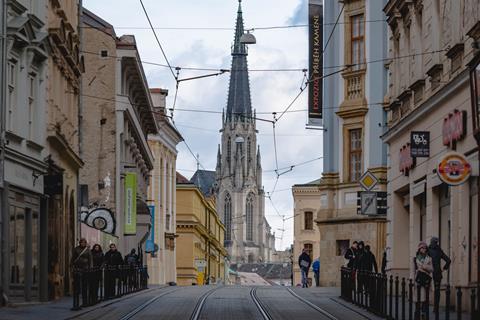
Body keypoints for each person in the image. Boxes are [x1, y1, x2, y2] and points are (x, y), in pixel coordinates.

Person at [428, 236, 451, 313]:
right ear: (437, 242)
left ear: (431, 242)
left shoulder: (428, 250)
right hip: (437, 273)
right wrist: (443, 269)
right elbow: (448, 260)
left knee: (425, 289)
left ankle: (424, 307)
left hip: (428, 272)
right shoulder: (439, 250)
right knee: (437, 291)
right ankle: (436, 308)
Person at [413, 241, 433, 319]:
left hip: (425, 282)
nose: (424, 249)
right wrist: (412, 281)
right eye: (422, 248)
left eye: (425, 248)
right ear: (419, 249)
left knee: (425, 301)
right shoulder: (415, 259)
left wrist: (424, 267)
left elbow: (432, 269)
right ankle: (417, 317)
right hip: (418, 281)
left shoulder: (429, 258)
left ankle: (424, 316)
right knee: (417, 301)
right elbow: (412, 271)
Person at [71, 238, 93, 308]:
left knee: (85, 286)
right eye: (81, 242)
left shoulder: (87, 250)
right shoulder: (76, 249)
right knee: (77, 286)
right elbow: (73, 258)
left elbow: (90, 259)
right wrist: (71, 266)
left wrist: (90, 267)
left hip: (85, 269)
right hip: (77, 268)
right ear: (79, 243)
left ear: (85, 243)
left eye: (84, 242)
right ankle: (76, 304)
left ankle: (85, 302)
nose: (83, 243)